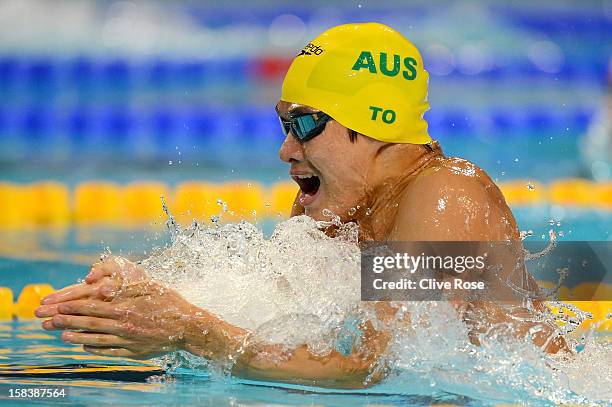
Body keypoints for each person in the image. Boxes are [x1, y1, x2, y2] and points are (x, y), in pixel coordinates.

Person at [35, 23, 567, 389]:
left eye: (306, 123)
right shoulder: (340, 205)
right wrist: (140, 292)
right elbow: (266, 293)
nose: (286, 149)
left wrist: (194, 331)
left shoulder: (445, 194)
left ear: (376, 122)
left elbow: (372, 365)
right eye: (284, 124)